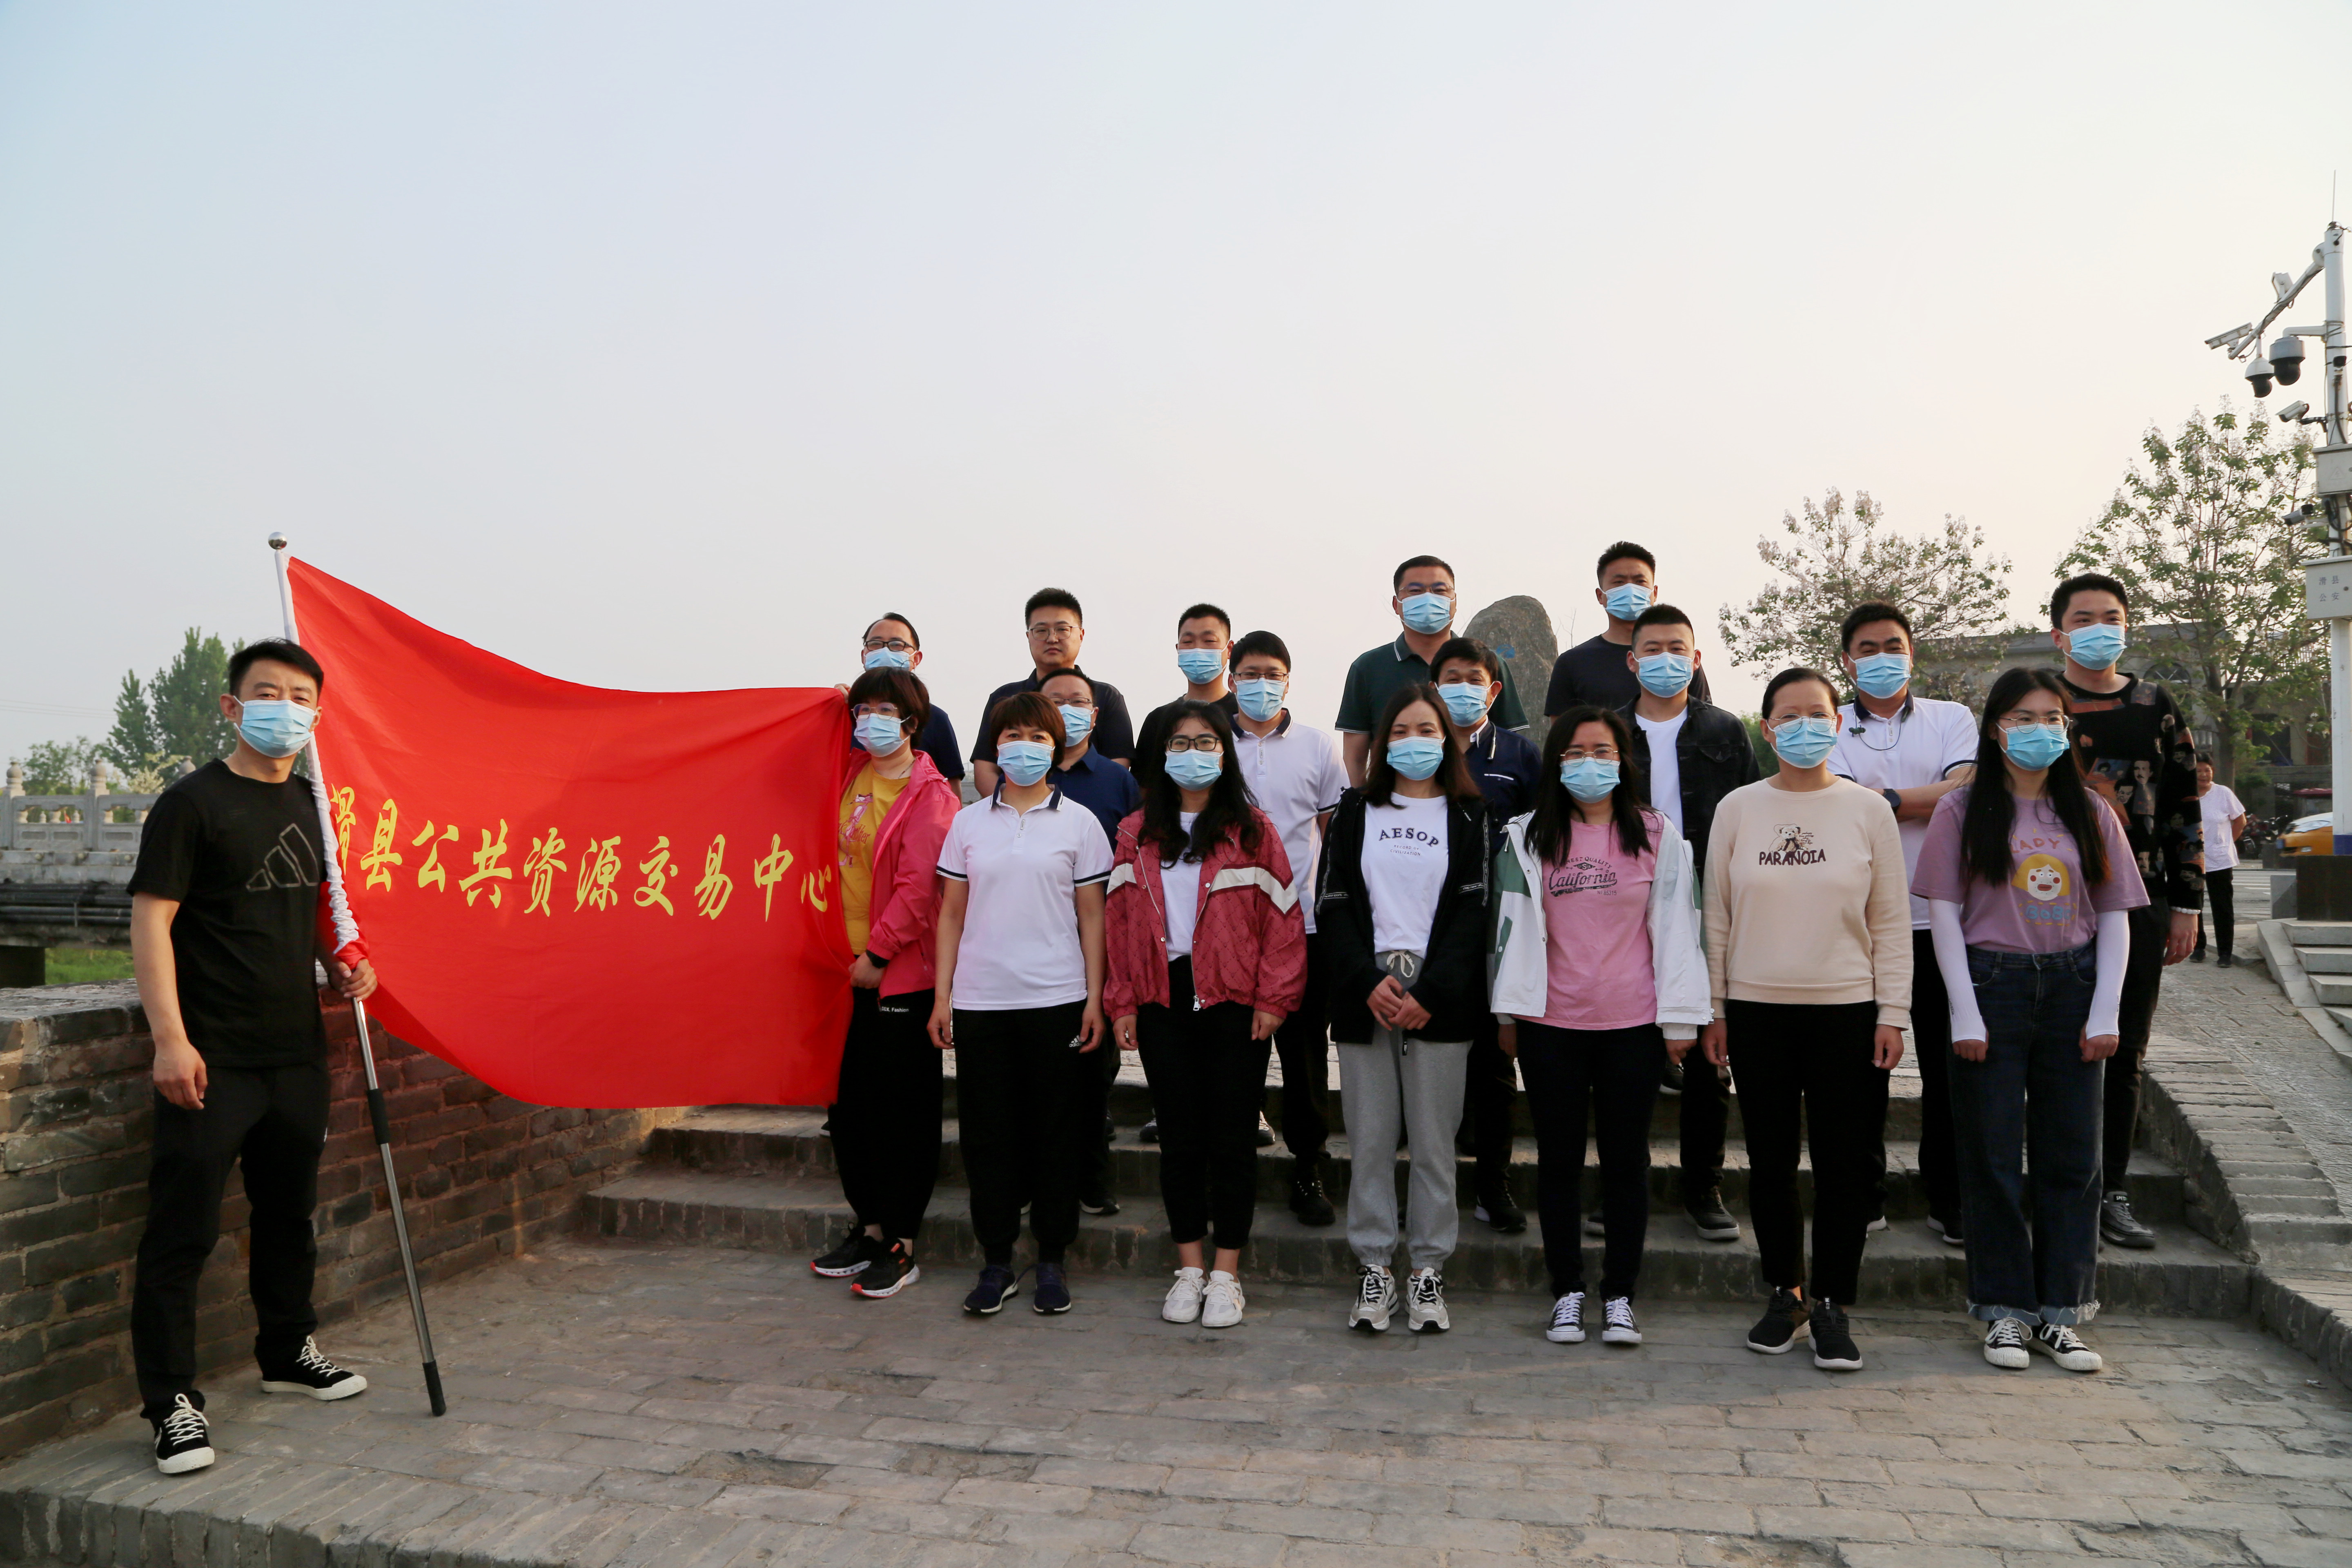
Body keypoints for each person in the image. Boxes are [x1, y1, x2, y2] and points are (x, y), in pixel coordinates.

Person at [127, 639, 377, 1476]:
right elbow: (151, 921)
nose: (285, 709)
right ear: (233, 707)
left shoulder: (314, 805)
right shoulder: (191, 804)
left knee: (287, 1214)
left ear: (318, 714)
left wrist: (344, 960)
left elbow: (318, 906)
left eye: (300, 697)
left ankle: (287, 1351)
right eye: (267, 693)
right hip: (212, 1056)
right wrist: (170, 1040)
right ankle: (170, 1402)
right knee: (182, 1233)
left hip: (295, 1054)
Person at [1914, 668, 2145, 1375]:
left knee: (2073, 1157)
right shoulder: (1962, 810)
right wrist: (1964, 1010)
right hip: (1994, 985)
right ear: (1995, 729)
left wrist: (2105, 1010)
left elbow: (2115, 914)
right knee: (1990, 1156)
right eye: (2023, 718)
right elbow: (1944, 916)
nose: (2039, 730)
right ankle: (2004, 1311)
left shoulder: (2089, 810)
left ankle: (2061, 1314)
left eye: (2052, 718)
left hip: (2073, 987)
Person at [1699, 667, 1911, 1372]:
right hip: (1756, 1011)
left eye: (1817, 714)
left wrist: (1893, 1012)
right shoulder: (1738, 808)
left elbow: (1891, 921)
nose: (1803, 726)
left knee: (1844, 1167)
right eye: (1788, 716)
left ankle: (1832, 1304)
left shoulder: (1868, 811)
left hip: (1848, 1011)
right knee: (1770, 1163)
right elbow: (1717, 917)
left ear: (1838, 722)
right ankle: (1785, 1293)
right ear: (1767, 729)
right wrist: (1716, 1008)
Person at [1490, 706, 1711, 1348]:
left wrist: (1680, 1019)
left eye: (1603, 751)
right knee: (1558, 1162)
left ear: (1623, 760)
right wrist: (1508, 1013)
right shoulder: (1527, 835)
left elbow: (1680, 927)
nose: (1590, 763)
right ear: (1556, 762)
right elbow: (1506, 932)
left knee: (1625, 1163)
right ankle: (1567, 1291)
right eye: (1576, 752)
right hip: (1550, 1024)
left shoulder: (1657, 833)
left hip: (1633, 1026)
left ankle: (1619, 1295)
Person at [1106, 703, 1307, 1330]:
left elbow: (1284, 922)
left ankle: (1226, 1274)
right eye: (1179, 743)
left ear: (1224, 752)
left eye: (1204, 742)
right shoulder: (1135, 833)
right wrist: (1122, 1000)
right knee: (1180, 1140)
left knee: (1231, 1141)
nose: (1192, 753)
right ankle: (1189, 1268)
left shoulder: (1254, 831)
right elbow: (1120, 925)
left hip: (1234, 999)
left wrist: (1274, 999)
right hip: (1163, 998)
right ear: (1161, 755)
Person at [929, 693, 1113, 1316]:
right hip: (982, 1001)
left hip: (1057, 998)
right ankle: (997, 1260)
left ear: (1056, 747)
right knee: (988, 1135)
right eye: (1012, 735)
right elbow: (951, 914)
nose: (1024, 746)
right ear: (996, 746)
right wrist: (943, 997)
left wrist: (1095, 998)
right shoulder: (968, 823)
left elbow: (1093, 918)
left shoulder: (1080, 824)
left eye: (1038, 736)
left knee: (1056, 1132)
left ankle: (1053, 1259)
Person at [1318, 683, 1490, 1335]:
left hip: (1439, 997)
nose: (1413, 742)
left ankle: (1426, 1270)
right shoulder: (1356, 809)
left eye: (1427, 730)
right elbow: (1333, 903)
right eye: (1400, 731)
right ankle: (1374, 1267)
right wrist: (1366, 980)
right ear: (1382, 742)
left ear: (1447, 739)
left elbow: (1474, 913)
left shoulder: (1471, 815)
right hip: (1367, 992)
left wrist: (1433, 993)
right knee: (1369, 1140)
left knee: (1434, 1144)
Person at [2050, 572, 2201, 1250]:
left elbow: (2183, 806)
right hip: (2049, 901)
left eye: (2110, 617)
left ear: (2127, 626)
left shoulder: (2156, 705)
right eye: (2083, 618)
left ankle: (2110, 1189)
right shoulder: (2041, 705)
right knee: (2051, 1046)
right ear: (2059, 633)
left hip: (2141, 897)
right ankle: (2053, 1184)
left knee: (2124, 1046)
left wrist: (2186, 904)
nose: (2098, 628)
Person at [1824, 602, 1979, 1249]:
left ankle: (1951, 1200)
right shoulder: (1829, 723)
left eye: (1894, 645)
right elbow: (1837, 805)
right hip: (1863, 926)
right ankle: (1864, 1198)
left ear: (1912, 654)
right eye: (1868, 648)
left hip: (1947, 921)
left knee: (1952, 1071)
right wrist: (1923, 800)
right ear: (1847, 661)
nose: (1882, 657)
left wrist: (1883, 801)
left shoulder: (1952, 719)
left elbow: (1967, 790)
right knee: (1861, 1074)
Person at [807, 668, 961, 1299]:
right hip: (837, 970)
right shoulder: (848, 775)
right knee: (848, 1108)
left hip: (896, 977)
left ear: (912, 723)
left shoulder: (931, 796)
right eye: (862, 709)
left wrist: (878, 952)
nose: (870, 720)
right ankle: (868, 1228)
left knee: (902, 1112)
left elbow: (920, 890)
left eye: (884, 711)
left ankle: (902, 1242)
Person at [1614, 604, 1759, 1243]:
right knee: (1629, 1056)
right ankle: (1623, 1188)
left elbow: (1750, 815)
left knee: (1707, 1052)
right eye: (1653, 649)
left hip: (1707, 902)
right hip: (1625, 906)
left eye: (1678, 648)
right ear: (1632, 660)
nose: (1666, 659)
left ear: (1696, 659)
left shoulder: (1726, 730)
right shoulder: (1609, 731)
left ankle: (1704, 1185)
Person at [1226, 630, 1350, 1226]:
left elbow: (1334, 835)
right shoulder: (1209, 744)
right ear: (1231, 680)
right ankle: (1231, 1174)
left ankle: (1309, 1168)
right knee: (1232, 1055)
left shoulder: (1316, 746)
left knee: (1304, 1059)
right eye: (1250, 673)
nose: (1261, 684)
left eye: (1272, 673)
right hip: (1227, 930)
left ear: (1289, 681)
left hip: (1301, 927)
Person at [1428, 635, 1540, 1235]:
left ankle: (1493, 1186)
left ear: (1494, 690)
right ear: (1433, 688)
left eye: (1474, 679)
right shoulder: (1416, 751)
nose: (1463, 689)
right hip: (1431, 931)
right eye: (1452, 678)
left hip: (1501, 932)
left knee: (1497, 1065)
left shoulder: (1520, 756)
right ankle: (1429, 1189)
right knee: (1431, 1064)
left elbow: (1545, 840)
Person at [1038, 665, 1143, 1216]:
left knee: (1094, 1065)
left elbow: (1135, 861)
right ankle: (1039, 1179)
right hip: (1038, 939)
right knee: (1040, 1069)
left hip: (1100, 940)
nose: (1067, 710)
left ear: (1095, 714)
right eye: (1055, 700)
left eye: (1077, 701)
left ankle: (1092, 1180)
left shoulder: (1117, 782)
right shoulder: (1024, 777)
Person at [1335, 556, 1528, 786]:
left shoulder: (1488, 664)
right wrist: (1357, 803)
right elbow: (1355, 758)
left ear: (1454, 602)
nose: (1428, 598)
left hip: (1479, 797)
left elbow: (1513, 746)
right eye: (1415, 591)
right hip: (1394, 798)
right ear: (1397, 605)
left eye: (1440, 591)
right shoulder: (1368, 667)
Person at [971, 589, 1136, 794]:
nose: (1052, 638)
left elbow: (1119, 763)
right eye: (1041, 631)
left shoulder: (1106, 696)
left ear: (1081, 635)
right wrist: (1014, 806)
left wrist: (1077, 810)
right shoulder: (1006, 697)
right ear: (1029, 637)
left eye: (1062, 629)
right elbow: (985, 768)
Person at [1543, 542, 1713, 720]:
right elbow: (1561, 733)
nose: (1630, 590)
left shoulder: (1680, 660)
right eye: (1619, 583)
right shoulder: (1572, 663)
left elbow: (1706, 720)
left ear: (1654, 593)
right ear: (1601, 596)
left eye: (1640, 582)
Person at [856, 614, 965, 785]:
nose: (885, 651)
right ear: (864, 656)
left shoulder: (935, 718)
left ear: (916, 659)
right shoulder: (844, 712)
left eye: (896, 645)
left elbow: (951, 788)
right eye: (876, 644)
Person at [1139, 604, 1241, 769]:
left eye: (1209, 641)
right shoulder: (1158, 720)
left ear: (1229, 650)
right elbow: (1144, 782)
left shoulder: (1244, 715)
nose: (1198, 649)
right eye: (1188, 642)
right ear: (1178, 650)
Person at [2192, 757, 2246, 967]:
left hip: (2220, 860)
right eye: (2198, 771)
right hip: (2192, 859)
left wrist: (2227, 843)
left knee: (2222, 906)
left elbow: (2240, 820)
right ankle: (2198, 947)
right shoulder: (2186, 795)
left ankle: (2225, 953)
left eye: (2207, 770)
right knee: (2194, 905)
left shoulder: (2223, 793)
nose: (2203, 775)